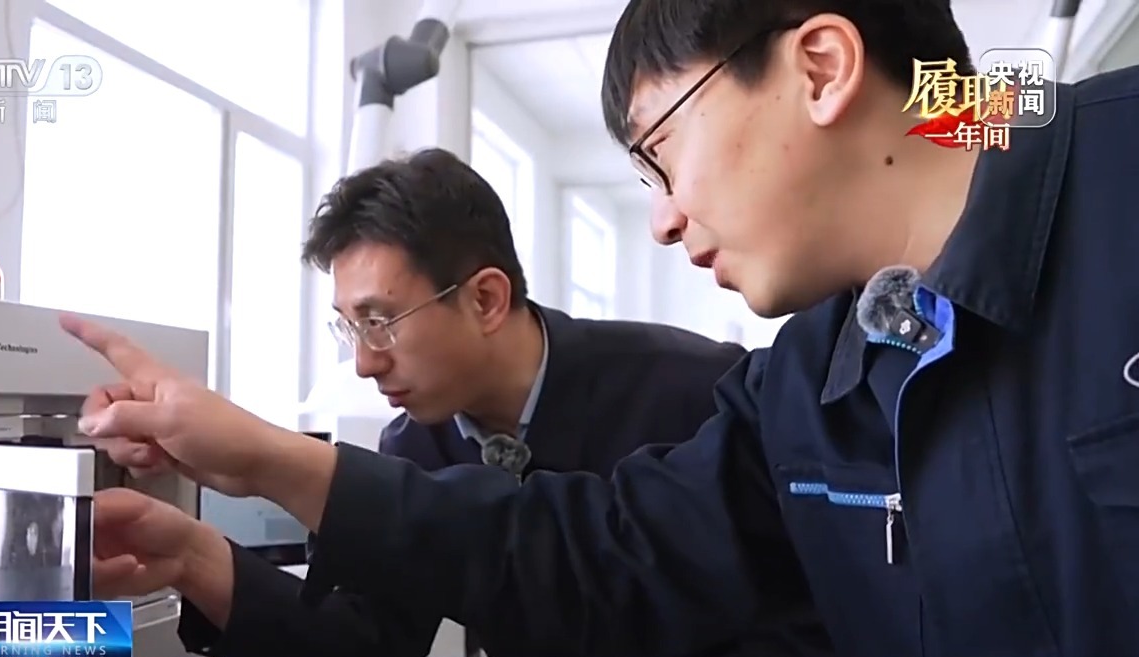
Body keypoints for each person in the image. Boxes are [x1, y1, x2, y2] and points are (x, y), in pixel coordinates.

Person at [72, 0, 1139, 654]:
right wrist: (250, 477)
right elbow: (587, 561)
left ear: (818, 67)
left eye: (661, 153)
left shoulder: (1116, 175)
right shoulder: (801, 390)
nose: (665, 220)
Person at [81, 148, 812, 657]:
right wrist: (191, 556)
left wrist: (270, 459)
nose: (364, 362)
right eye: (349, 327)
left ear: (486, 298)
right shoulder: (412, 446)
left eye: (380, 321)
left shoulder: (697, 391)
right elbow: (361, 641)